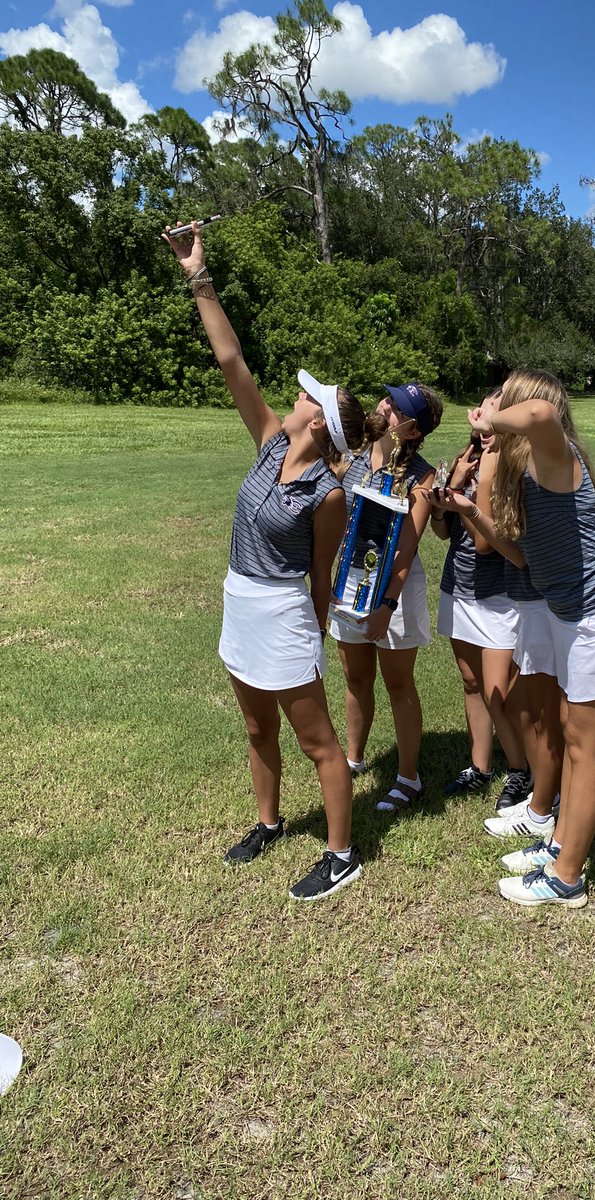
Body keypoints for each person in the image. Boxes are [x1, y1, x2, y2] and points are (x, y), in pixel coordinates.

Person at [163, 219, 383, 900]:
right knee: (256, 727)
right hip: (241, 601)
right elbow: (232, 361)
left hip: (286, 612)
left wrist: (311, 633)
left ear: (317, 422)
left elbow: (323, 575)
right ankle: (268, 822)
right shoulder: (266, 440)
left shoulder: (329, 494)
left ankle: (342, 854)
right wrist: (198, 277)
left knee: (318, 743)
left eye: (304, 397)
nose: (293, 398)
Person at [468, 369, 595, 907]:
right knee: (567, 730)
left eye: (501, 399)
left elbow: (541, 416)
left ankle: (567, 877)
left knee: (586, 748)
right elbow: (524, 559)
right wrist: (470, 513)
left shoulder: (554, 455)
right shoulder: (524, 470)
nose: (490, 409)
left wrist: (494, 419)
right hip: (570, 617)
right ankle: (557, 842)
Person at [329, 382, 443, 812]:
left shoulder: (423, 476)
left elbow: (405, 548)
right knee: (355, 679)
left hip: (393, 590)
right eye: (389, 399)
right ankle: (354, 760)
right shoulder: (353, 456)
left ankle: (407, 778)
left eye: (397, 409)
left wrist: (386, 605)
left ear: (413, 430)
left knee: (398, 684)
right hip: (350, 583)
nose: (385, 406)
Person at [430, 421, 531, 808]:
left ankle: (520, 771)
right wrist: (450, 489)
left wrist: (479, 482)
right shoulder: (467, 461)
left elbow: (484, 543)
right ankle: (480, 766)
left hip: (497, 597)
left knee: (496, 693)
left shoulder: (508, 473)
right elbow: (443, 531)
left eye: (492, 424)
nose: (483, 431)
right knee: (472, 682)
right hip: (457, 588)